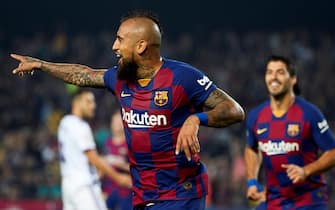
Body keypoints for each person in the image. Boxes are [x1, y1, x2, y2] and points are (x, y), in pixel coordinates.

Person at [11, 10, 245, 210]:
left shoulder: (183, 77)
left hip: (180, 194)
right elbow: (82, 74)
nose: (114, 46)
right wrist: (42, 65)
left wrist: (196, 119)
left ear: (141, 46)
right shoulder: (120, 79)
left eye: (120, 40)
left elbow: (234, 110)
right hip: (143, 195)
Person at [244, 55, 335, 210]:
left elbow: (332, 151)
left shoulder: (309, 113)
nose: (273, 77)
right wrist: (252, 182)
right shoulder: (256, 116)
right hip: (273, 201)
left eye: (280, 72)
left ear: (293, 79)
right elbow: (251, 148)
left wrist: (306, 171)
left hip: (308, 200)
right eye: (269, 72)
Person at [57, 89, 131, 210]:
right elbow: (93, 158)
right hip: (83, 185)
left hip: (69, 184)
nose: (93, 106)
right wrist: (119, 178)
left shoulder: (64, 123)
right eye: (88, 102)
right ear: (77, 102)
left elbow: (81, 157)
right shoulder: (80, 126)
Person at [102, 111, 132, 210]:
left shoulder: (129, 143)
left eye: (119, 121)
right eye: (115, 121)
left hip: (126, 192)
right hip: (109, 191)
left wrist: (121, 165)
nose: (117, 124)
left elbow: (137, 168)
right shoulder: (107, 143)